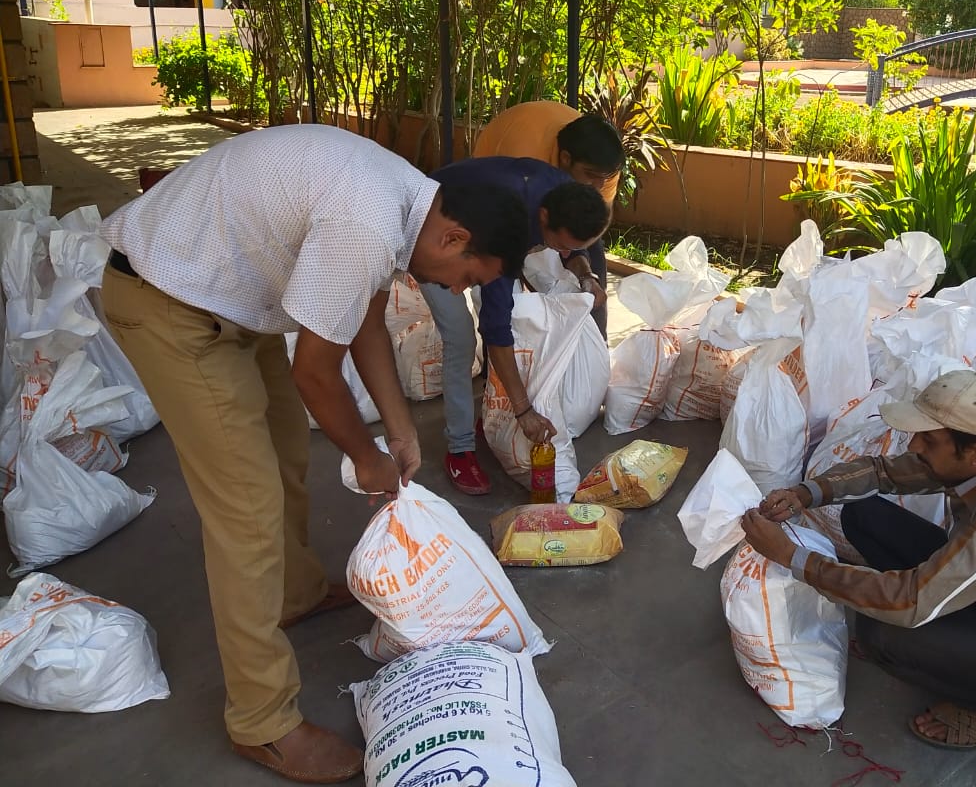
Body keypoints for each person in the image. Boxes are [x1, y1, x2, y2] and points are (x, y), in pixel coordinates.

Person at [98, 125, 529, 784]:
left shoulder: (408, 204)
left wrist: (400, 429)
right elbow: (316, 375)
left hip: (236, 301)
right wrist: (367, 456)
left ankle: (293, 594)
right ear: (452, 238)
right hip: (171, 303)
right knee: (246, 511)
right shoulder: (368, 219)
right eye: (467, 278)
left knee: (286, 454)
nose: (456, 290)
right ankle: (261, 721)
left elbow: (364, 321)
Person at [742, 369, 976, 750]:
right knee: (863, 515)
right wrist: (807, 493)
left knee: (882, 632)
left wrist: (791, 556)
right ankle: (959, 646)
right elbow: (885, 472)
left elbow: (911, 601)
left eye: (929, 440)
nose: (915, 445)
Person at [420, 155, 611, 495]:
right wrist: (523, 411)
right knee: (462, 338)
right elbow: (496, 328)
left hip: (478, 224)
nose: (565, 252)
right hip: (430, 235)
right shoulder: (507, 228)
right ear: (543, 218)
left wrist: (587, 275)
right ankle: (460, 448)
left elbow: (572, 250)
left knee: (514, 323)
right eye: (562, 244)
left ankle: (490, 414)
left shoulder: (565, 195)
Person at [472, 101, 624, 334]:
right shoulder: (523, 155)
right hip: (494, 188)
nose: (599, 185)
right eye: (591, 176)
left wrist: (585, 274)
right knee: (504, 288)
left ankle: (594, 345)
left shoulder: (603, 169)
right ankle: (496, 360)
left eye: (604, 177)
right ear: (565, 158)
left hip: (552, 189)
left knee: (591, 280)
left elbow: (591, 225)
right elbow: (516, 235)